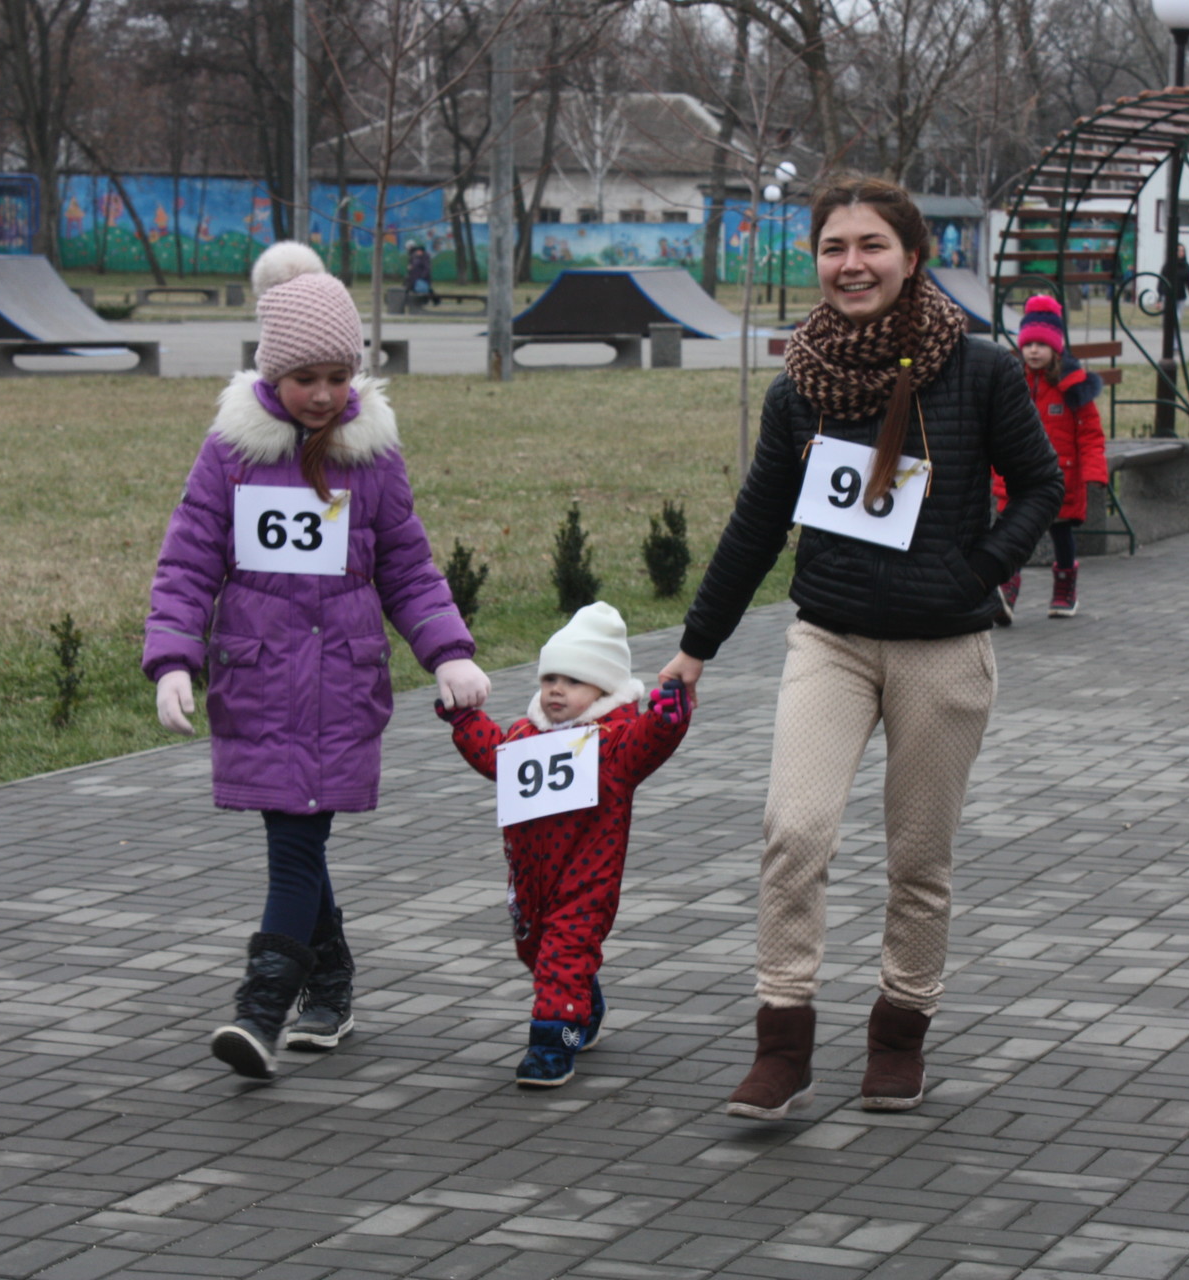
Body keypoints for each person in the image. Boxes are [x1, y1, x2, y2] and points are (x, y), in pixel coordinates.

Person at [657, 175, 1063, 1120]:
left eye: (872, 245)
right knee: (794, 832)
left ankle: (898, 1033)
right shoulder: (802, 381)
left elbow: (1041, 486)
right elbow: (759, 522)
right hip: (829, 640)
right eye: (835, 248)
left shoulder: (984, 370)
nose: (852, 264)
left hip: (943, 649)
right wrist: (694, 647)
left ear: (912, 256)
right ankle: (782, 1039)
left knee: (918, 858)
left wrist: (981, 572)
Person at [143, 240, 491, 1081]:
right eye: (307, 380)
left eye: (341, 377)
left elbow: (406, 564)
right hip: (257, 683)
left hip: (340, 683)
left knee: (296, 846)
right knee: (297, 844)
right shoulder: (232, 454)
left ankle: (259, 1013)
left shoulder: (369, 459)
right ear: (271, 373)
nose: (326, 396)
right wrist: (174, 660)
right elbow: (189, 561)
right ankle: (328, 981)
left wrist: (446, 651)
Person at [439, 602, 692, 1088]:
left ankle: (554, 1047)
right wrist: (463, 721)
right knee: (538, 954)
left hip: (586, 881)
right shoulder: (523, 735)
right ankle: (584, 1014)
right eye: (549, 677)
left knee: (563, 955)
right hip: (532, 880)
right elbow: (494, 756)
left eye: (573, 681)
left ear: (603, 689)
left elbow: (649, 741)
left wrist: (666, 719)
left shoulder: (614, 744)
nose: (556, 689)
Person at [993, 294, 1109, 621]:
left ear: (1055, 348)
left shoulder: (1072, 387)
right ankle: (1007, 589)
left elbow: (1090, 433)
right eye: (1028, 344)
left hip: (1061, 478)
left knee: (1061, 535)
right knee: (1013, 534)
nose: (1033, 351)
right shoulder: (1010, 381)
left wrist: (1095, 472)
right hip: (1017, 475)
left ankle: (1064, 588)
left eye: (1041, 345)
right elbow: (996, 429)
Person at [1163, 244, 1189, 319]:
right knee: (1168, 318)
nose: (1181, 253)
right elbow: (1162, 282)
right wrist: (1160, 299)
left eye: (1183, 251)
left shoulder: (1186, 266)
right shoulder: (1168, 265)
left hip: (1181, 296)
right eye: (1179, 251)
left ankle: (1175, 330)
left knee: (1178, 318)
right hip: (1169, 296)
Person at [404, 243, 435, 311]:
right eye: (417, 251)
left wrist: (422, 276)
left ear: (422, 251)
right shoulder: (414, 256)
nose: (418, 252)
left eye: (420, 251)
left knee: (424, 290)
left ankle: (431, 301)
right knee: (410, 289)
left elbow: (427, 268)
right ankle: (409, 302)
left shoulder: (425, 257)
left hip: (422, 278)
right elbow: (412, 264)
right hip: (413, 277)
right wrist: (410, 268)